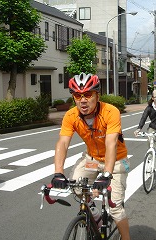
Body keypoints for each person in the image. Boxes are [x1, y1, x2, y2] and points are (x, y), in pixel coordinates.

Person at [51, 72, 130, 240]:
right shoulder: (71, 115)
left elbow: (111, 143)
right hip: (92, 159)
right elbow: (63, 143)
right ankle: (95, 214)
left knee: (115, 207)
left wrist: (107, 174)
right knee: (77, 186)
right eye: (78, 96)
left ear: (97, 95)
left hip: (116, 161)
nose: (83, 100)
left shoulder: (111, 112)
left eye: (87, 94)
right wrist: (58, 172)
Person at [134, 89, 156, 179]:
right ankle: (151, 156)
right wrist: (139, 129)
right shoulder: (149, 107)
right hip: (153, 127)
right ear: (152, 98)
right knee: (150, 143)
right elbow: (143, 117)